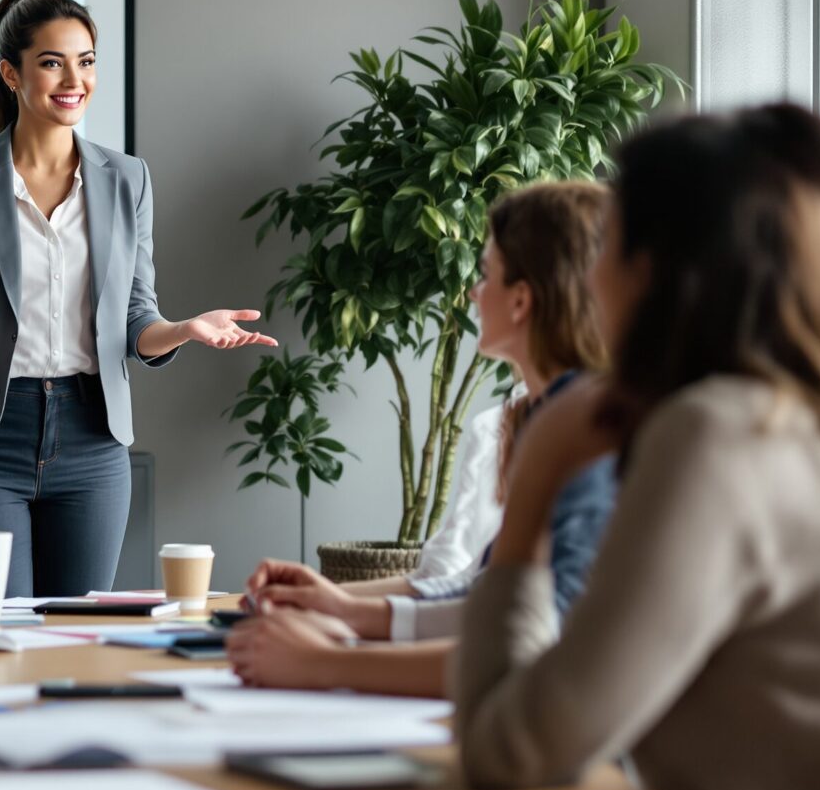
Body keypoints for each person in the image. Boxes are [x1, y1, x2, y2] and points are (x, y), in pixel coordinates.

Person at [453, 104, 820, 790]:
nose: (590, 278)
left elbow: (507, 752)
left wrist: (535, 474)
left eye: (609, 245)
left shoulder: (715, 437)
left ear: (653, 269)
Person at [0, 0, 277, 597]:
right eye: (52, 62)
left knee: (78, 630)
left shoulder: (128, 178)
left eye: (87, 61)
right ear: (11, 73)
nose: (75, 80)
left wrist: (183, 329)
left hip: (92, 440)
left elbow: (136, 316)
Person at [228, 182, 616, 696]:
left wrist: (324, 662)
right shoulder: (542, 416)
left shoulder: (587, 433)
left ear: (521, 300)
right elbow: (489, 598)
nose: (473, 292)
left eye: (486, 274)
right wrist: (341, 607)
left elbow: (540, 644)